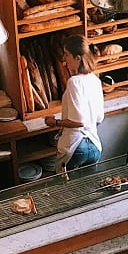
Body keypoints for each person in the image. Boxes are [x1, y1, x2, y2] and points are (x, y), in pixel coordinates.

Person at [45, 35, 104, 172]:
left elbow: (78, 122)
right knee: (88, 185)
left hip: (76, 147)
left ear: (77, 58)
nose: (64, 59)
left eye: (67, 54)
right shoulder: (95, 80)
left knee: (66, 185)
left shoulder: (74, 82)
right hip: (95, 147)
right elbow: (99, 118)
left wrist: (55, 122)